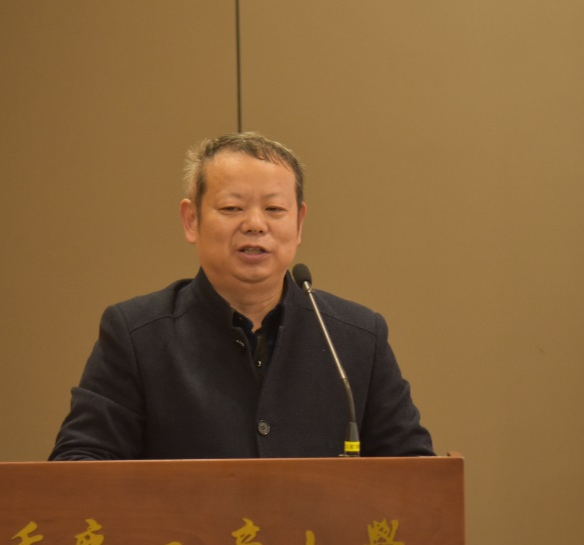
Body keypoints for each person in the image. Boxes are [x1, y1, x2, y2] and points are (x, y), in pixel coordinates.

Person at [48, 132, 433, 460]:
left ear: (299, 223)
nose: (255, 224)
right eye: (232, 208)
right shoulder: (136, 335)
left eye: (274, 209)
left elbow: (417, 474)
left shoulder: (356, 338)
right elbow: (79, 466)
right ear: (192, 220)